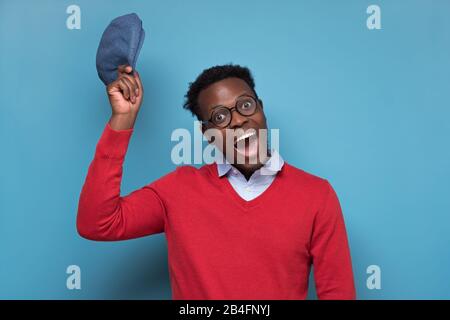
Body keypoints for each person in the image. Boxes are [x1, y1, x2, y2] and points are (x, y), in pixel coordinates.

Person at [77, 63, 356, 299]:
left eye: (245, 105)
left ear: (261, 110)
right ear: (207, 133)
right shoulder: (178, 191)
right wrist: (122, 119)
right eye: (220, 117)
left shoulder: (316, 196)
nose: (237, 121)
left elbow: (338, 292)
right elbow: (97, 223)